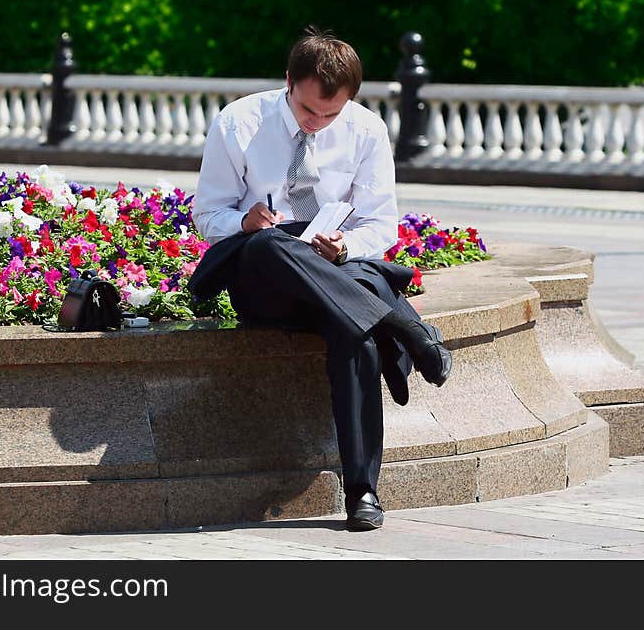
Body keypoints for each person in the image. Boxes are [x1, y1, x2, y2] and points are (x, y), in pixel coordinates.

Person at [189, 26, 451, 531]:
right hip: (264, 272)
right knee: (270, 244)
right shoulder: (239, 122)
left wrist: (347, 245)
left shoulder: (366, 130)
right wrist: (243, 222)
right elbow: (209, 216)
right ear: (288, 81)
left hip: (334, 267)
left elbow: (381, 224)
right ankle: (405, 325)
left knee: (355, 335)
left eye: (332, 114)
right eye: (309, 111)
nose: (319, 122)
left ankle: (363, 493)